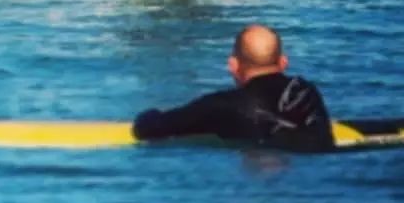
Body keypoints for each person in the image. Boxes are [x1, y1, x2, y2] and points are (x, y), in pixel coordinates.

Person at [132, 24, 334, 151]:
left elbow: (147, 130)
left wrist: (147, 116)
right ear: (283, 62)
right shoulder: (306, 92)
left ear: (233, 65)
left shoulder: (220, 106)